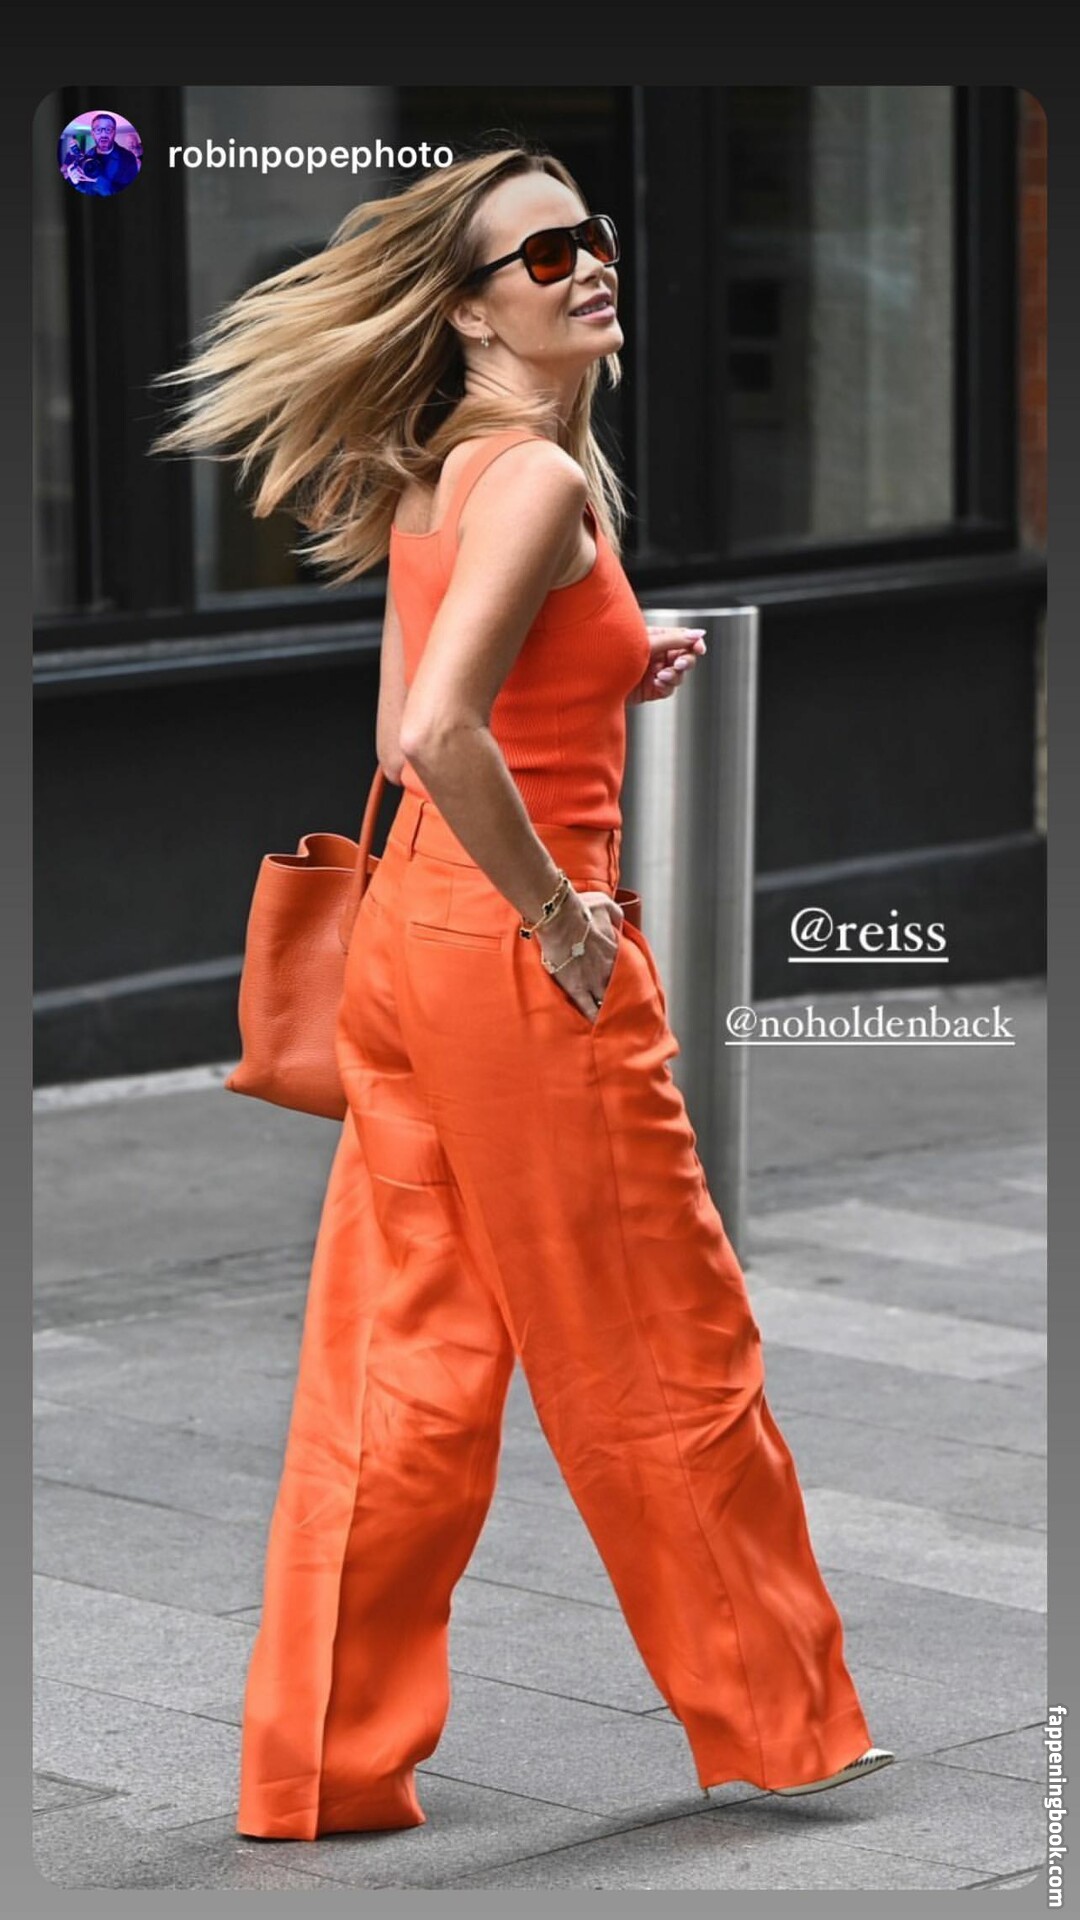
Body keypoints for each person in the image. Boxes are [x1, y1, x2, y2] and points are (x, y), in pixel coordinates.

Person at [152, 141, 894, 1844]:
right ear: (474, 309)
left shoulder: (452, 469)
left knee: (398, 1362)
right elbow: (436, 731)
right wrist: (564, 919)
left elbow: (412, 715)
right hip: (514, 955)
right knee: (665, 1341)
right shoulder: (541, 481)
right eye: (544, 254)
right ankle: (781, 1718)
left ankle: (322, 1767)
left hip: (413, 945)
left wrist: (622, 662)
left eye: (592, 237)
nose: (589, 265)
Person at [66, 114, 139, 196]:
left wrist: (98, 180)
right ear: (93, 134)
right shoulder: (88, 155)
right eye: (98, 130)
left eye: (108, 129)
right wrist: (76, 182)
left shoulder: (129, 158)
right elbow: (85, 188)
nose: (103, 134)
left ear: (114, 133)